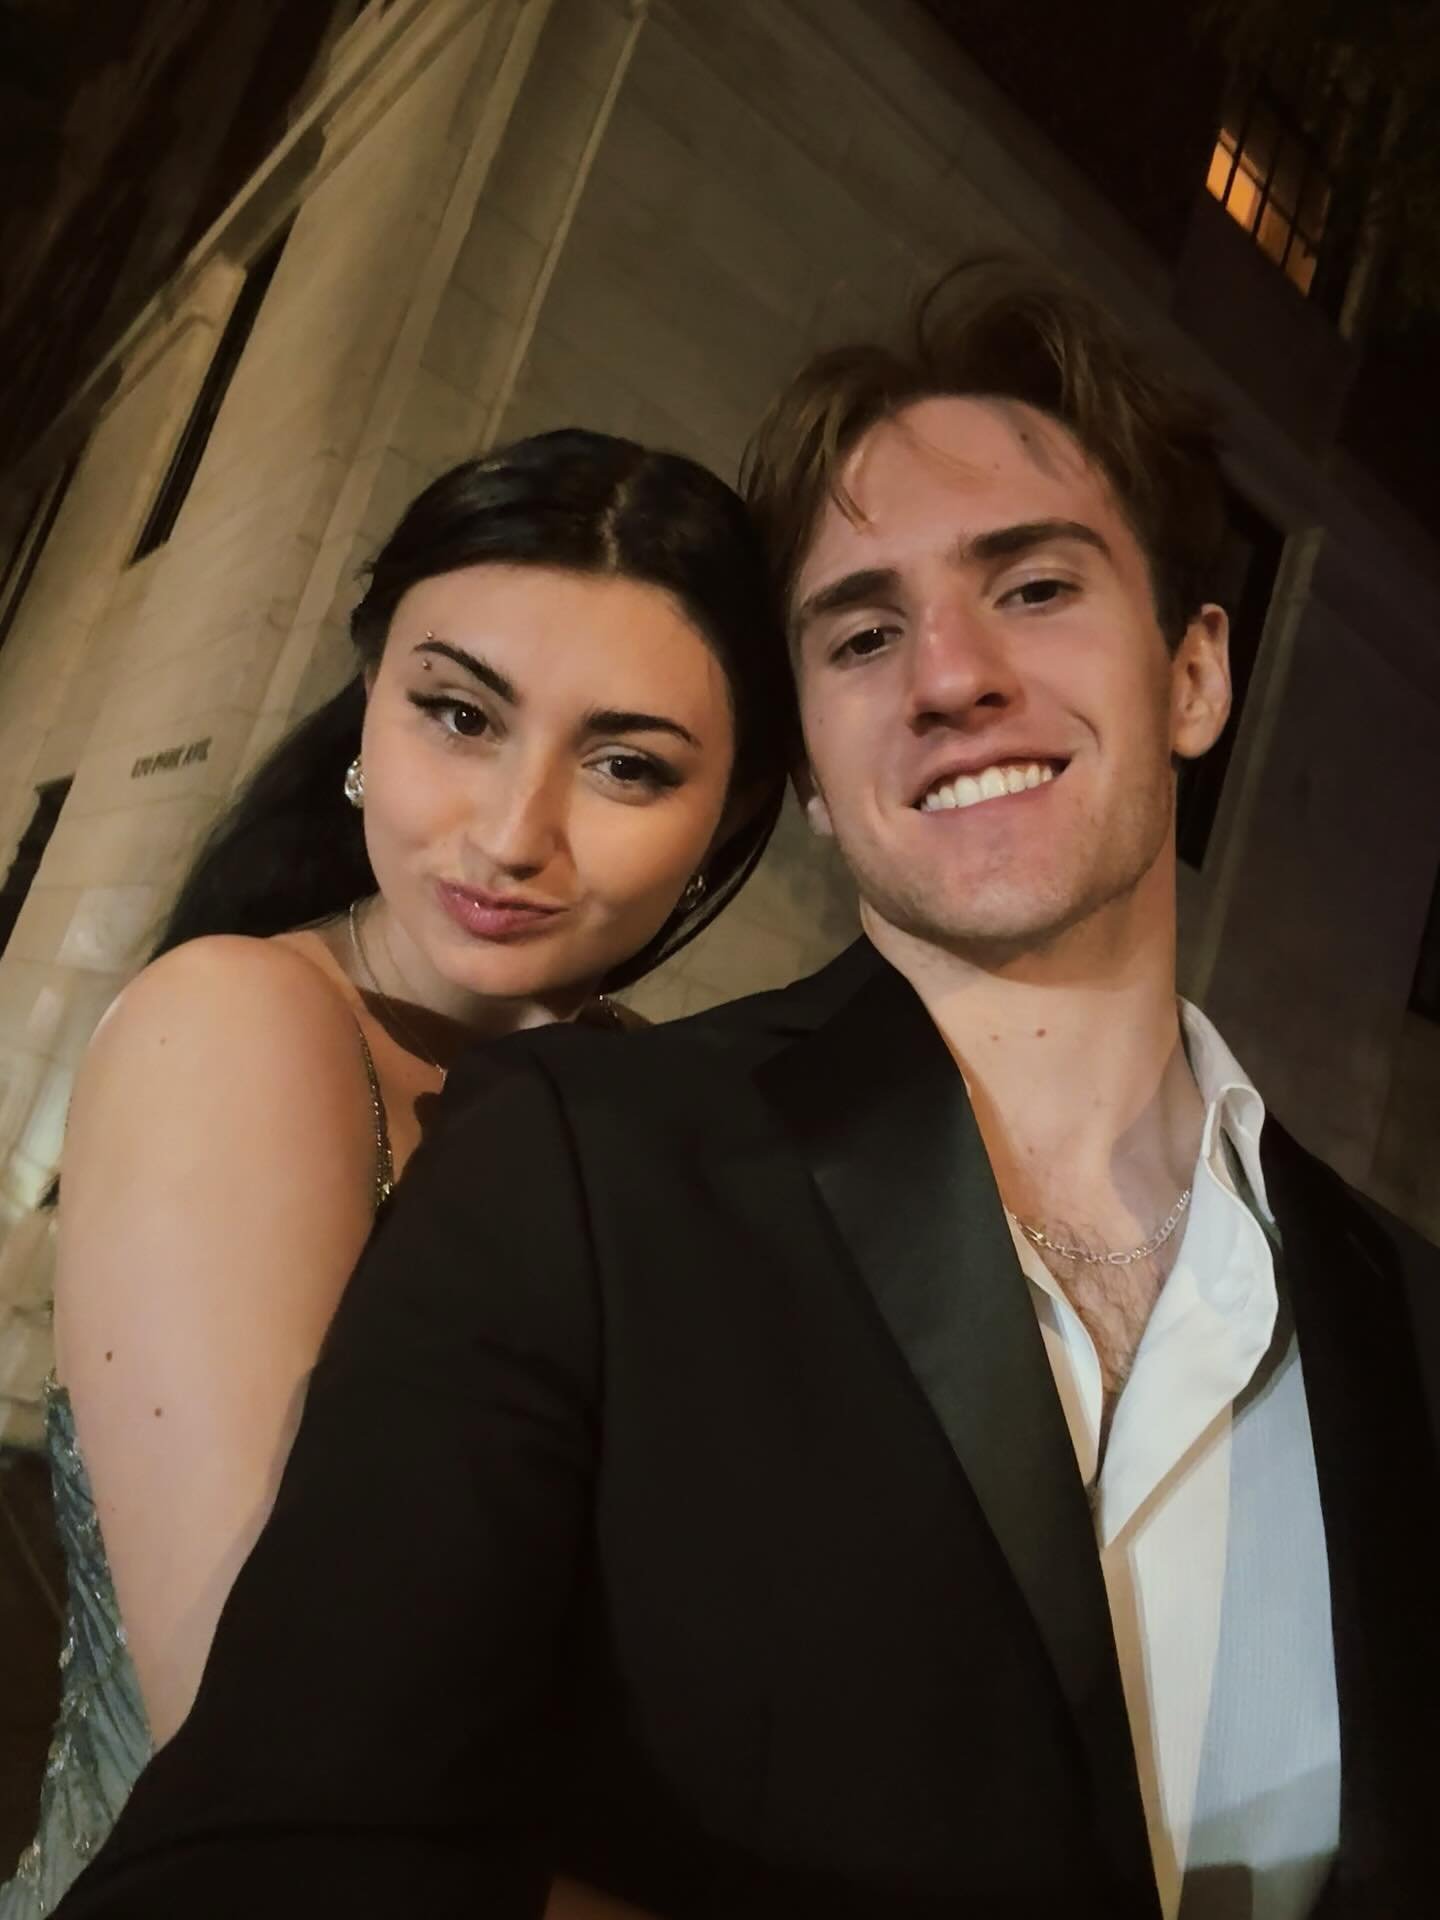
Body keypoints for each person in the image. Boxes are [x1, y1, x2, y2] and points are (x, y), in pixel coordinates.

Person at [53, 271, 1439, 1919]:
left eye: (1037, 586)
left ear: (1196, 673)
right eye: (865, 633)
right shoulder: (565, 1151)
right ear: (821, 781)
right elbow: (277, 1802)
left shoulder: (1400, 1313)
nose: (951, 674)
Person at [0, 427, 793, 1919]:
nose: (511, 833)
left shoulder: (645, 1097)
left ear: (731, 816)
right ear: (371, 698)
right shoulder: (236, 1026)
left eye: (626, 765)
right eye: (459, 714)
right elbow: (280, 1791)